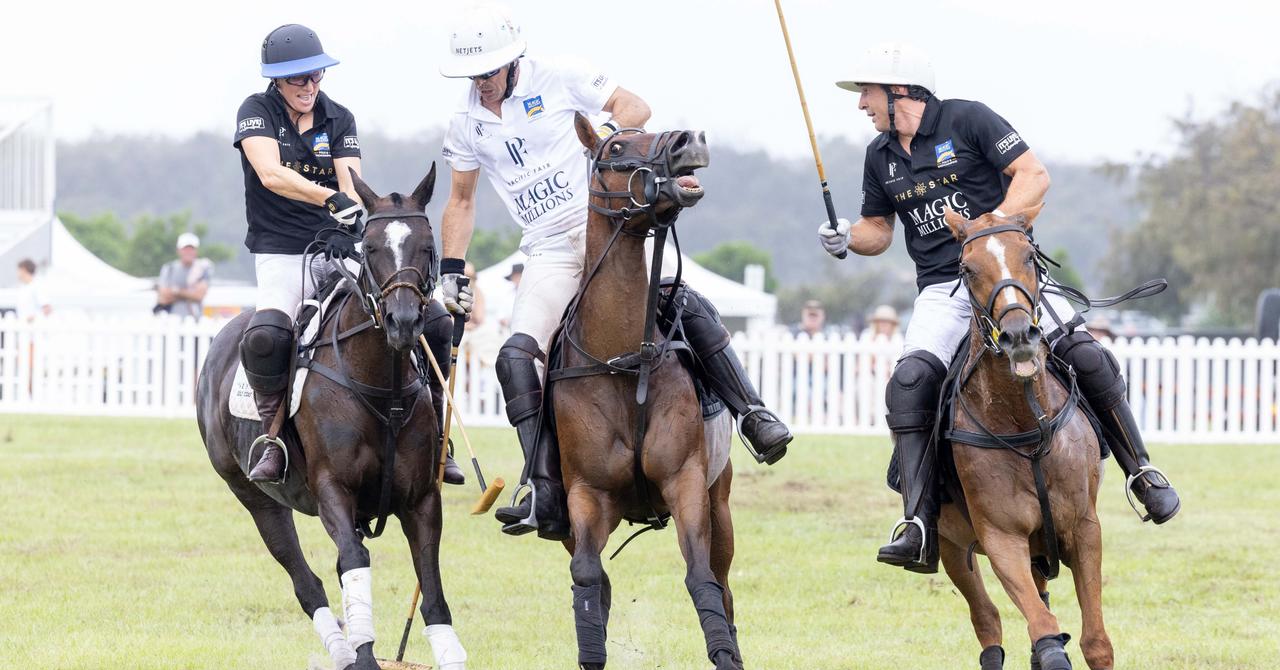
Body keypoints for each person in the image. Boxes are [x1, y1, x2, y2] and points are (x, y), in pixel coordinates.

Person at [818, 42, 1180, 573]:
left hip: (1008, 272)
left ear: (900, 92)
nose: (860, 105)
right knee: (910, 382)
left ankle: (1141, 472)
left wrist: (992, 232)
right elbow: (878, 230)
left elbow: (1034, 176)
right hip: (944, 288)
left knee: (1087, 354)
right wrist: (847, 236)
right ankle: (917, 523)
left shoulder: (969, 119)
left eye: (867, 93)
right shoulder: (881, 156)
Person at [437, 4, 792, 540]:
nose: (481, 85)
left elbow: (635, 106)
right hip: (549, 248)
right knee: (516, 356)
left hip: (607, 226)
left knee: (683, 303)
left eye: (488, 72)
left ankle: (752, 414)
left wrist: (606, 137)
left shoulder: (559, 75)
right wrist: (450, 270)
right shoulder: (465, 121)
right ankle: (543, 487)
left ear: (512, 61)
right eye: (473, 76)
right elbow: (461, 201)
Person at [231, 24, 462, 486]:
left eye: (315, 76)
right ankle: (273, 437)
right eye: (298, 79)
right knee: (269, 336)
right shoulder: (255, 112)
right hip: (280, 252)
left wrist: (349, 218)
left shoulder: (339, 118)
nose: (309, 87)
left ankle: (437, 430)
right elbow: (271, 174)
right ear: (276, 80)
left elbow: (349, 184)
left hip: (339, 245)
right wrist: (327, 200)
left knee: (433, 320)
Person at [155, 233, 212, 318]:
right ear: (178, 250)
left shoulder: (203, 268)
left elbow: (199, 295)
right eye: (185, 249)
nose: (188, 252)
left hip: (195, 320)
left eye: (191, 249)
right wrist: (190, 293)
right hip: (171, 319)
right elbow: (163, 297)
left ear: (196, 250)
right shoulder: (169, 268)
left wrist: (176, 291)